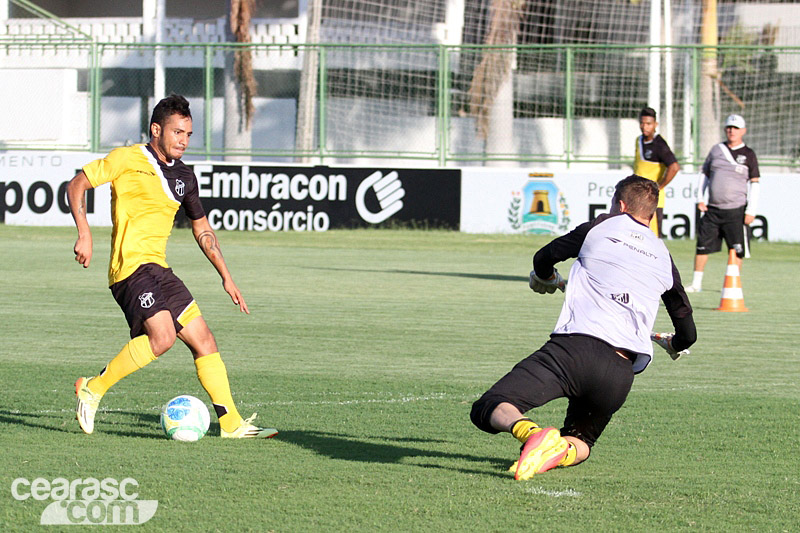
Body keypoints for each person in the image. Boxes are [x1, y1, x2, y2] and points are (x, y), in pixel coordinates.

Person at [67, 94, 277, 438]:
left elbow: (203, 229)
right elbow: (77, 185)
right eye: (178, 132)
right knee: (161, 338)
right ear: (156, 129)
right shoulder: (126, 159)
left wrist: (226, 276)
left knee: (204, 340)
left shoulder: (185, 177)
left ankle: (231, 424)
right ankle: (93, 388)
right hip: (130, 269)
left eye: (188, 134)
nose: (184, 140)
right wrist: (84, 234)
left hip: (159, 269)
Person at [470, 175, 696, 480]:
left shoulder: (601, 226)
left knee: (490, 406)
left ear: (619, 204)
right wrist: (675, 344)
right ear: (652, 215)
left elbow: (544, 257)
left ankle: (532, 434)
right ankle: (556, 449)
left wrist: (545, 276)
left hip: (573, 351)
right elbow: (688, 333)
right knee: (581, 441)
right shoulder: (663, 256)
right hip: (620, 372)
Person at [685, 114, 760, 293]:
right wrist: (700, 198)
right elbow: (704, 174)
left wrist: (751, 210)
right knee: (702, 245)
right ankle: (696, 283)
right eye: (729, 127)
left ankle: (732, 284)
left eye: (735, 128)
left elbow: (755, 182)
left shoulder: (748, 154)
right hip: (713, 210)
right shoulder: (716, 150)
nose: (731, 131)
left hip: (736, 210)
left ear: (743, 131)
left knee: (736, 249)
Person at [633, 107, 680, 238]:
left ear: (655, 125)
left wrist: (659, 187)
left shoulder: (659, 145)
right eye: (642, 123)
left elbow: (674, 167)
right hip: (637, 198)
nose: (644, 127)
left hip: (652, 201)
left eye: (648, 124)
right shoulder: (639, 140)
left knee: (651, 239)